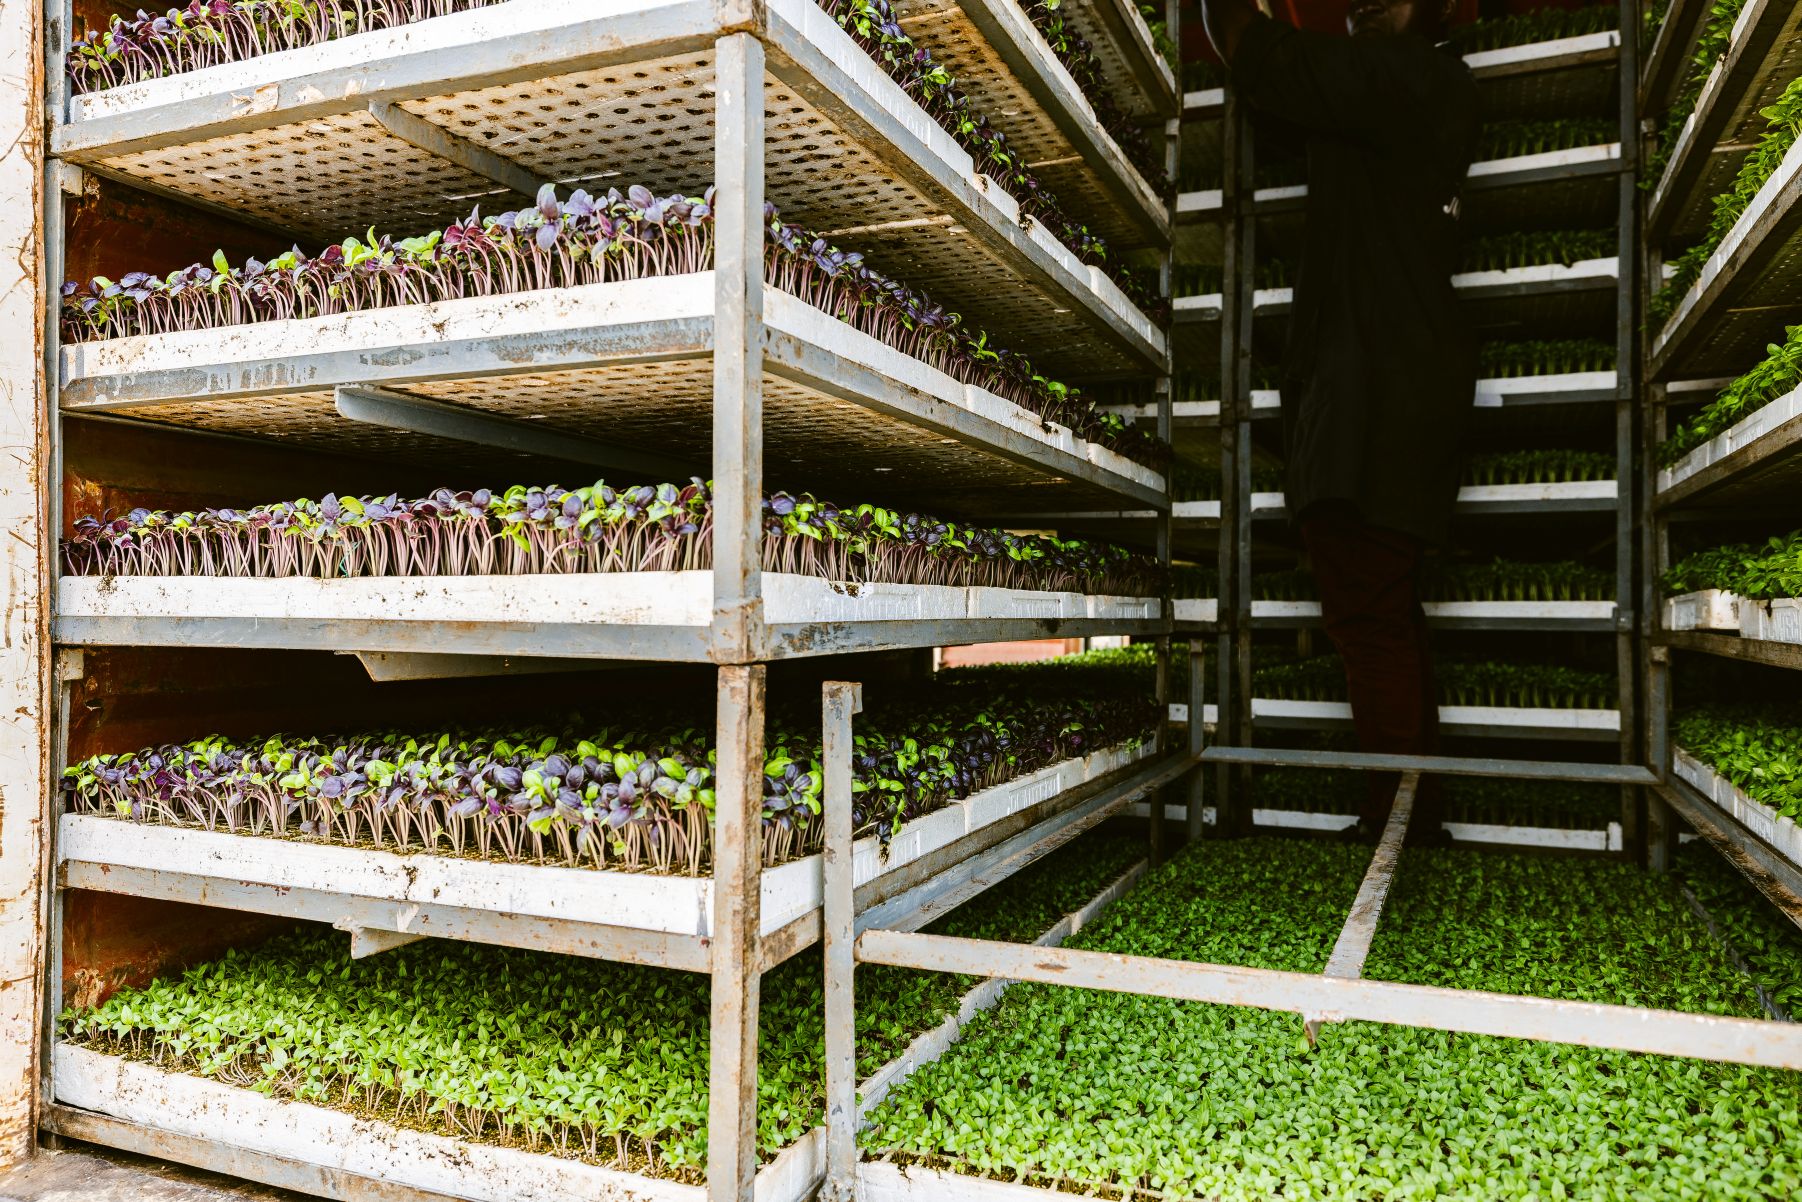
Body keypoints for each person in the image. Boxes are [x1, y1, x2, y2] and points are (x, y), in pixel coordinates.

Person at [1199, 0, 1480, 838]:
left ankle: (1397, 821)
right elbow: (1287, 99)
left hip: (1377, 402)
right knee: (1384, 612)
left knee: (1367, 614)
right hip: (1394, 394)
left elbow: (1268, 59)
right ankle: (1415, 812)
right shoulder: (1391, 103)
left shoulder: (1410, 76)